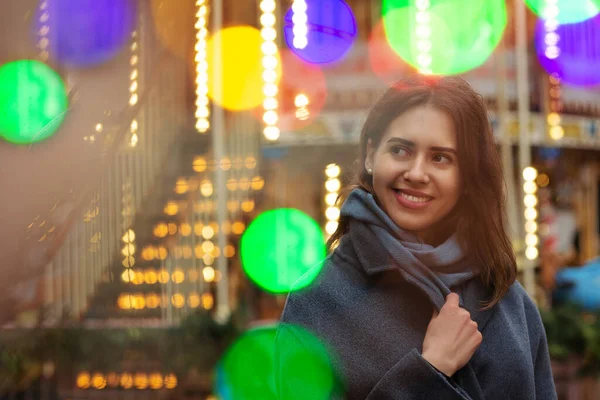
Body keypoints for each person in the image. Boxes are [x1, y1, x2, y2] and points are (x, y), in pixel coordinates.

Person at [276, 76, 557, 399]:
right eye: (400, 150)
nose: (416, 173)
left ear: (466, 175)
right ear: (371, 155)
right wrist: (429, 373)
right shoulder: (318, 302)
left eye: (440, 158)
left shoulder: (508, 301)